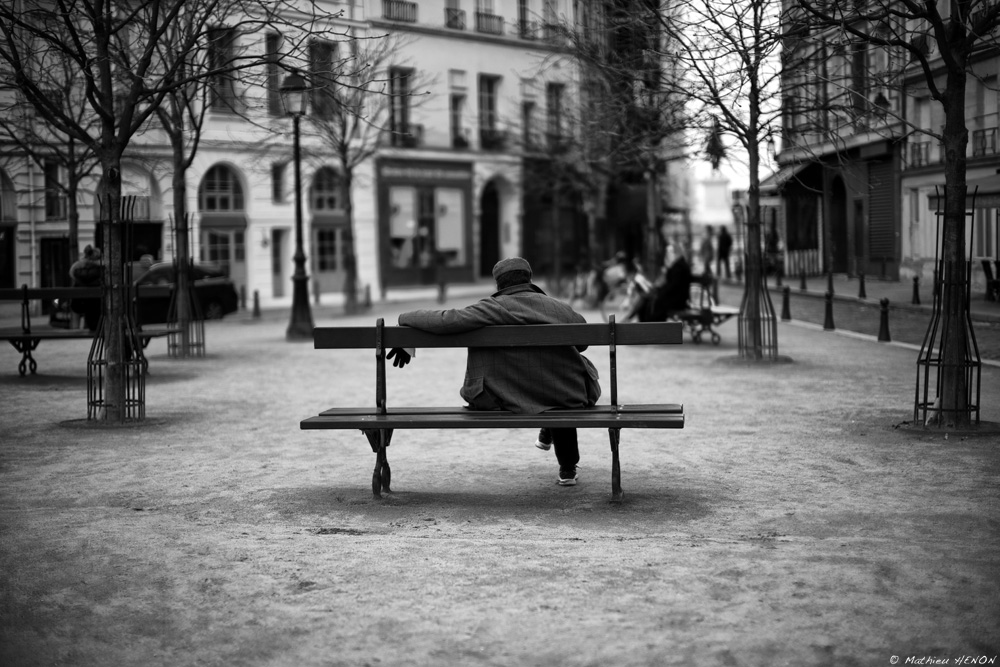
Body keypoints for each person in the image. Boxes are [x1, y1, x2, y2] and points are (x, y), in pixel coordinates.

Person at [389, 257, 601, 487]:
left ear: (499, 285)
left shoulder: (493, 307)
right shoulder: (558, 308)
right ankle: (567, 468)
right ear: (529, 279)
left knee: (529, 378)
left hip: (509, 395)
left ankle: (548, 424)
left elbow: (447, 320)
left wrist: (404, 319)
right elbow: (583, 342)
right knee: (557, 378)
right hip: (565, 394)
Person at [624, 244, 693, 323]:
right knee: (645, 299)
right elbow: (671, 285)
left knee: (648, 301)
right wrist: (658, 290)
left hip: (676, 300)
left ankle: (639, 321)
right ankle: (638, 320)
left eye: (669, 252)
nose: (667, 254)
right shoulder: (678, 265)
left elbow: (673, 286)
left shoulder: (679, 266)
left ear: (675, 253)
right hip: (673, 298)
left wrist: (659, 292)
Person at [69, 245, 103, 331]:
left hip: (82, 308)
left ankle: (77, 327)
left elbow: (75, 306)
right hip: (99, 316)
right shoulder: (101, 271)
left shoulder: (77, 270)